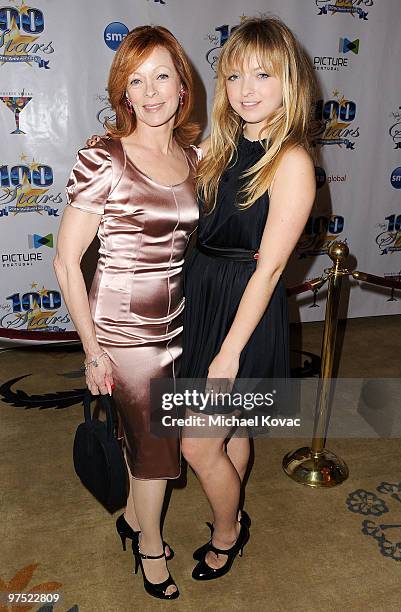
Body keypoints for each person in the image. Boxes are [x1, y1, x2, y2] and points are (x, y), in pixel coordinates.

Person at [54, 25, 200, 600]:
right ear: (124, 93)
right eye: (136, 80)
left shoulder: (189, 155)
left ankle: (134, 521)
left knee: (148, 445)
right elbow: (68, 262)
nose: (151, 90)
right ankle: (150, 550)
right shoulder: (105, 157)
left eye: (162, 75)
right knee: (157, 453)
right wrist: (92, 353)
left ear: (182, 85)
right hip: (125, 334)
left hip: (175, 326)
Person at [180, 17, 316, 580]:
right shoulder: (220, 145)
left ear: (290, 81)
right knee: (231, 431)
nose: (246, 88)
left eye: (263, 73)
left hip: (246, 315)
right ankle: (232, 512)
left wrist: (229, 353)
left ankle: (229, 531)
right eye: (234, 75)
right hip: (204, 296)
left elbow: (272, 270)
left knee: (195, 445)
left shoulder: (292, 162)